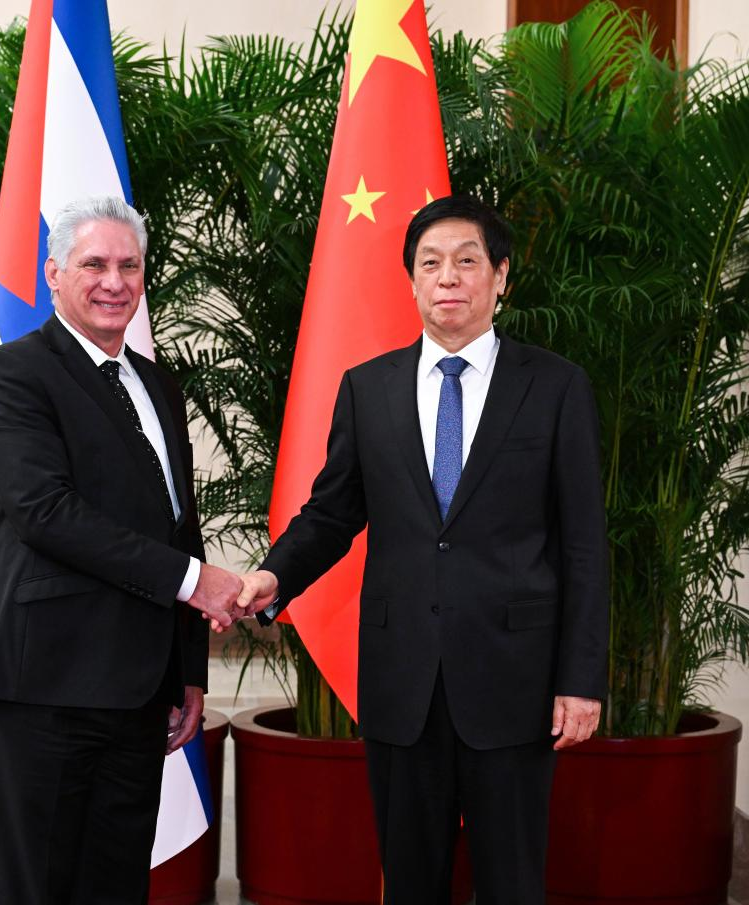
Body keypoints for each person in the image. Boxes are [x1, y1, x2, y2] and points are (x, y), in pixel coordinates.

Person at [238, 195, 609, 905]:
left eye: (467, 261)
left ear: (501, 276)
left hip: (515, 680)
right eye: (430, 263)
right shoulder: (367, 388)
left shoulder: (555, 386)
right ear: (411, 280)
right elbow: (331, 513)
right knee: (410, 881)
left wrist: (581, 679)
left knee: (512, 883)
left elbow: (584, 544)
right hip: (401, 681)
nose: (448, 278)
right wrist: (273, 575)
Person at [0, 196, 244, 905]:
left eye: (129, 265)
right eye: (94, 264)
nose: (114, 281)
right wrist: (194, 582)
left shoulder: (158, 384)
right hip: (42, 685)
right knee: (39, 888)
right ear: (54, 274)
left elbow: (178, 525)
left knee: (116, 886)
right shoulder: (11, 375)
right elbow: (46, 513)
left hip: (139, 690)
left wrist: (187, 671)